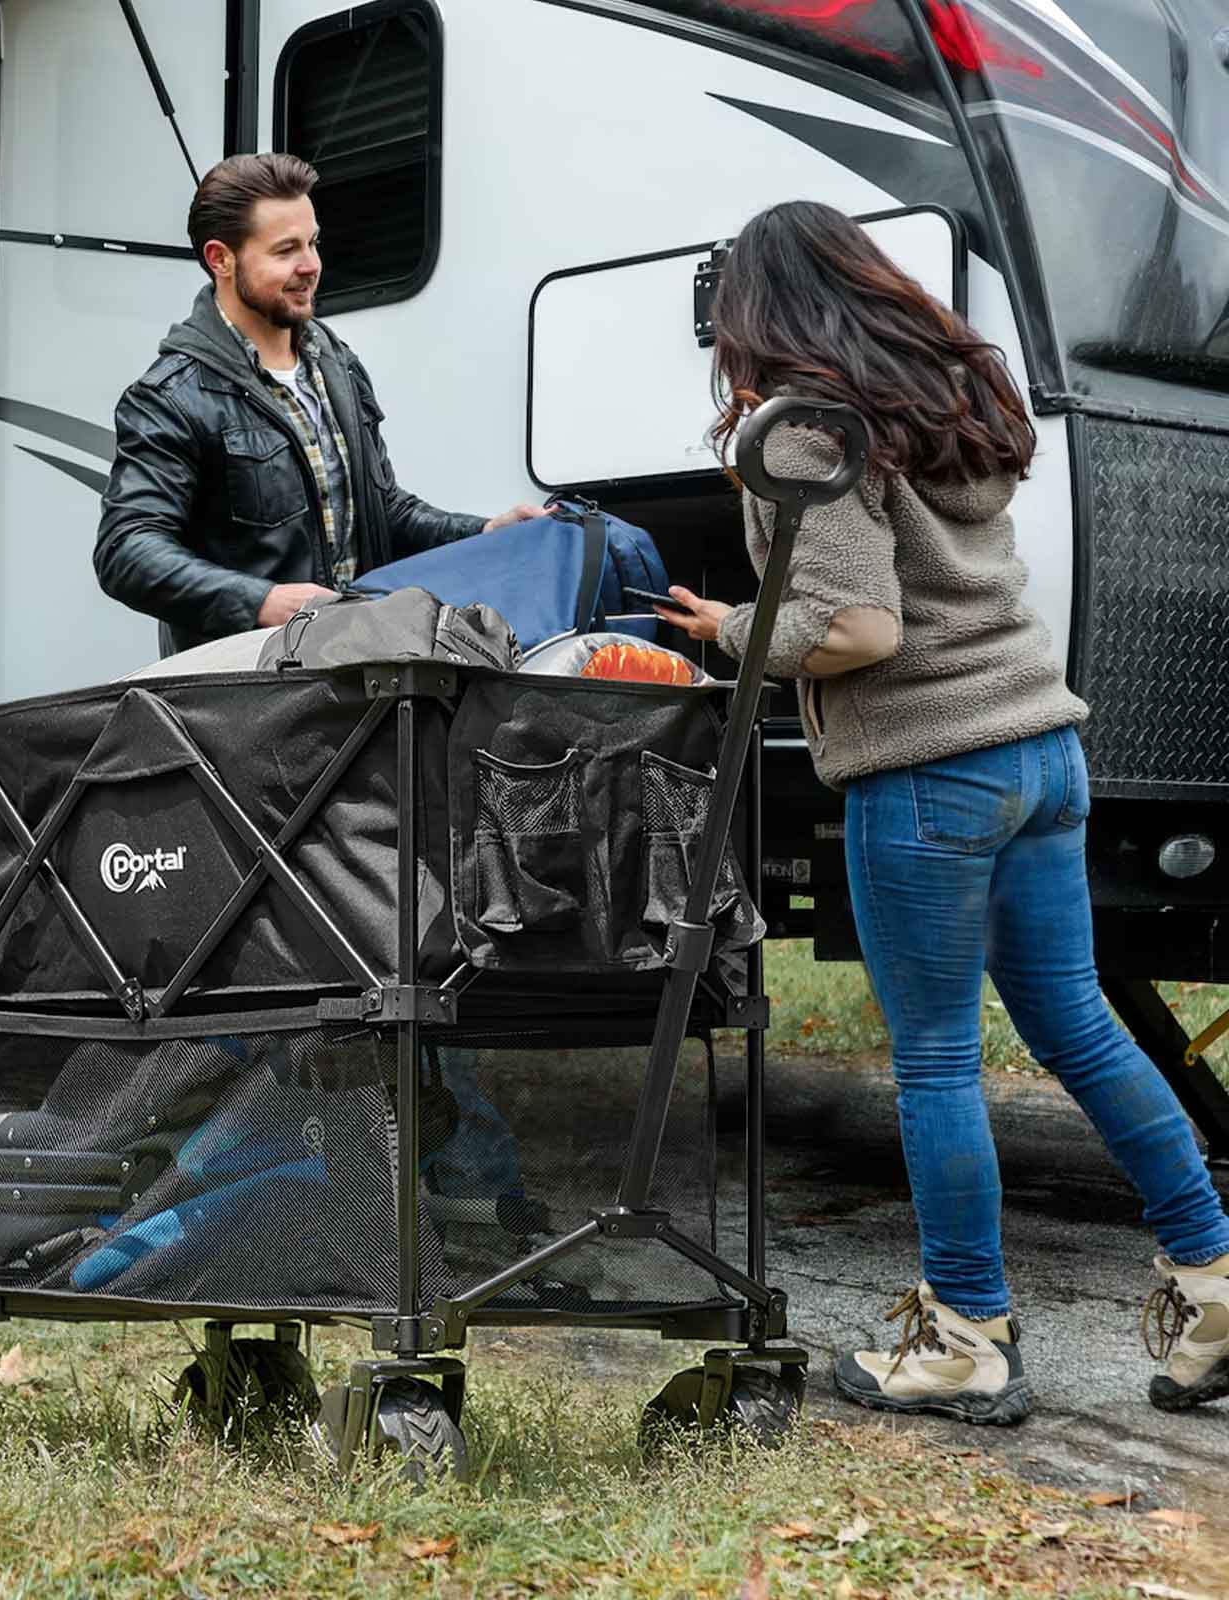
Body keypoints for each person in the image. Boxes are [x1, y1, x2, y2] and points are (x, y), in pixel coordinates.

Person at [655, 200, 1229, 1425]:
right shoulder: (946, 395)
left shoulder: (804, 431)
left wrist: (732, 635)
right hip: (1041, 748)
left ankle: (963, 1331)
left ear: (756, 307)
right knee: (1076, 1025)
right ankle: (1214, 1275)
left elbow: (862, 628)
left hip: (928, 769)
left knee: (932, 1061)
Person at [95, 153, 545, 654]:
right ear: (221, 258)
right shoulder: (171, 397)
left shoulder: (337, 366)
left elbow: (385, 511)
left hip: (360, 668)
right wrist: (262, 601)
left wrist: (485, 532)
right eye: (286, 250)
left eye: (313, 243)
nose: (311, 265)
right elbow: (126, 550)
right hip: (247, 688)